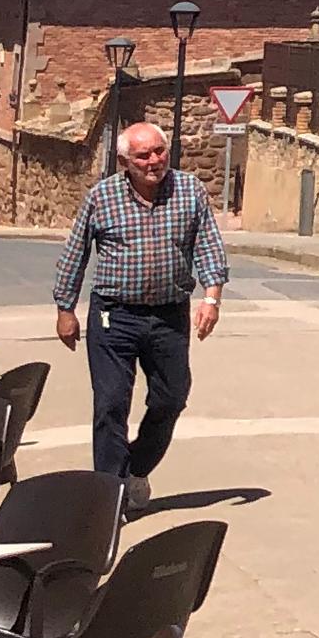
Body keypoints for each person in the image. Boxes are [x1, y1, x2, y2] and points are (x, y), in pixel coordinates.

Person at [52, 118, 227, 517]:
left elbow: (208, 246)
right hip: (115, 316)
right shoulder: (102, 197)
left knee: (172, 396)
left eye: (159, 152)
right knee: (111, 404)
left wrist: (211, 298)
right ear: (125, 161)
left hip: (168, 316)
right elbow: (75, 255)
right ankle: (107, 499)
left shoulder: (189, 191)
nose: (153, 161)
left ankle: (136, 469)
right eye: (143, 155)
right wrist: (66, 309)